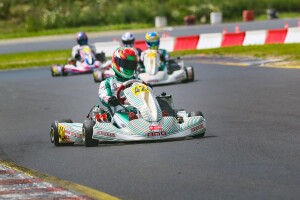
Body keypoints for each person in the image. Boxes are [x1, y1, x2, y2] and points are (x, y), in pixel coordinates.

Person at [98, 47, 138, 115]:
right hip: (119, 114)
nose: (128, 67)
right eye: (125, 64)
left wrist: (148, 88)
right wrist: (110, 99)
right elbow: (102, 95)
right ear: (116, 62)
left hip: (139, 113)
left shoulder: (138, 81)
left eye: (131, 65)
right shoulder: (107, 83)